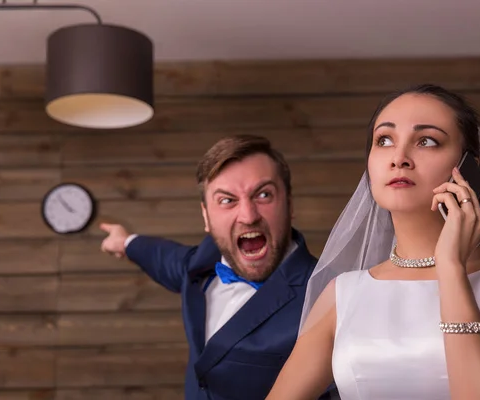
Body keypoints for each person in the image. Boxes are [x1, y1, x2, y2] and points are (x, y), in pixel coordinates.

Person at [266, 84, 480, 400]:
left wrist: (451, 268)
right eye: (384, 140)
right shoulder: (343, 294)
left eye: (427, 141)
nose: (399, 157)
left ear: (470, 169)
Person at [100, 134, 338, 400]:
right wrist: (125, 242)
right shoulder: (199, 265)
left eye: (263, 195)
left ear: (289, 204)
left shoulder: (327, 298)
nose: (248, 216)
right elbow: (165, 259)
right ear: (206, 216)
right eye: (227, 200)